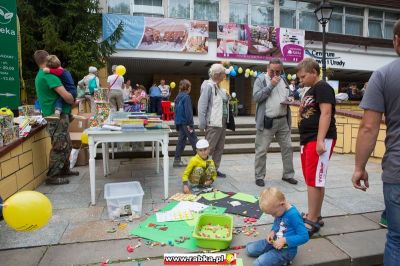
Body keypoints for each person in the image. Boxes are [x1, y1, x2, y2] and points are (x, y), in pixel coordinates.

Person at [351, 20, 400, 265]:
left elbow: (369, 127)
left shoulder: (383, 75)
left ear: (397, 40)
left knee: (397, 239)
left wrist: (359, 167)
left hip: (398, 170)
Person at [296, 58, 337, 236]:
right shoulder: (311, 89)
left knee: (314, 179)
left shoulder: (322, 87)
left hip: (317, 139)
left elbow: (326, 113)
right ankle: (315, 214)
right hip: (308, 139)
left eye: (303, 76)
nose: (301, 80)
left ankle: (312, 219)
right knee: (312, 179)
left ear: (314, 72)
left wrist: (320, 140)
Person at [34, 50, 77, 185]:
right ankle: (52, 176)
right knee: (60, 145)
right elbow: (66, 96)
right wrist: (72, 98)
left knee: (67, 143)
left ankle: (64, 169)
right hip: (56, 116)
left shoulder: (41, 75)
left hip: (55, 115)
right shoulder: (49, 76)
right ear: (47, 60)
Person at [253, 58, 297, 187]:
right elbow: (257, 97)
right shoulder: (261, 80)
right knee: (261, 150)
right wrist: (271, 85)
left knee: (288, 148)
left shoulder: (283, 79)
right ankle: (259, 176)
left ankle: (288, 175)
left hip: (283, 120)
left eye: (278, 71)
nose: (275, 74)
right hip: (267, 121)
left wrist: (290, 97)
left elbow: (289, 93)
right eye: (272, 71)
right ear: (268, 68)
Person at [246, 187, 309, 266]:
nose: (273, 216)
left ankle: (285, 260)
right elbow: (277, 224)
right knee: (249, 249)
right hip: (274, 242)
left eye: (274, 213)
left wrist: (285, 240)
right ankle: (270, 255)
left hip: (286, 250)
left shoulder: (294, 215)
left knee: (258, 264)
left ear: (282, 204)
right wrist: (272, 231)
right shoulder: (280, 210)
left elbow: (304, 236)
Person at [198, 63, 230, 178]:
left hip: (222, 121)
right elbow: (202, 105)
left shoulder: (219, 87)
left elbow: (223, 101)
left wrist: (227, 97)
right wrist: (202, 124)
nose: (224, 77)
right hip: (213, 122)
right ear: (217, 75)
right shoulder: (208, 86)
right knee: (208, 149)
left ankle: (215, 169)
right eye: (222, 74)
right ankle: (202, 171)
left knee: (219, 148)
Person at [43, 55, 77, 119]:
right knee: (66, 103)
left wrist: (48, 70)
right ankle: (69, 114)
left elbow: (56, 72)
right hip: (73, 90)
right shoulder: (65, 71)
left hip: (70, 91)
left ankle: (57, 114)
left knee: (59, 101)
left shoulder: (60, 71)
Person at [174, 79, 198, 167]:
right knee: (194, 140)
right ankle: (200, 159)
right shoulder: (186, 97)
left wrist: (176, 123)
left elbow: (175, 112)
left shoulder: (177, 97)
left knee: (181, 141)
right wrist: (191, 124)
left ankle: (177, 160)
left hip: (180, 123)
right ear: (187, 88)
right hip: (187, 123)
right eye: (190, 86)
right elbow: (188, 112)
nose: (190, 88)